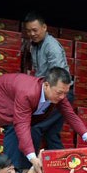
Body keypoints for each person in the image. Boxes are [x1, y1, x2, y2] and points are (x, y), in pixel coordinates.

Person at [0, 68, 87, 173]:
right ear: (46, 85)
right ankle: (14, 171)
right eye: (59, 93)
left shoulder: (57, 93)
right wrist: (33, 157)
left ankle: (26, 169)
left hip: (13, 100)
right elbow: (21, 124)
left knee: (34, 129)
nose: (63, 97)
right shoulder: (27, 93)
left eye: (65, 93)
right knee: (14, 125)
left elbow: (70, 115)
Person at [22, 12, 73, 152]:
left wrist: (51, 96)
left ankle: (29, 168)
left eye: (35, 30)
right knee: (51, 134)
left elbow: (58, 78)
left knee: (35, 128)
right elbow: (38, 72)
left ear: (44, 27)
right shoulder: (34, 45)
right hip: (47, 92)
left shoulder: (52, 47)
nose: (32, 34)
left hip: (57, 93)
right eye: (28, 31)